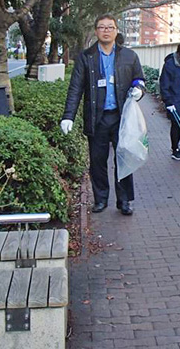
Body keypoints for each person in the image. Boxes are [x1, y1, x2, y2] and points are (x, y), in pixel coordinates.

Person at [60, 14, 146, 216]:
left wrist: (139, 90)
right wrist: (68, 116)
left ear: (116, 31)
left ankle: (124, 200)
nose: (106, 30)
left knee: (124, 159)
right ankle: (100, 199)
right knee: (97, 161)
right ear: (96, 31)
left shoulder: (129, 56)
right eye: (102, 27)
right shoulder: (86, 57)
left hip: (121, 117)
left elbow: (139, 79)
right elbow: (75, 88)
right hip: (96, 117)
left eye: (110, 27)